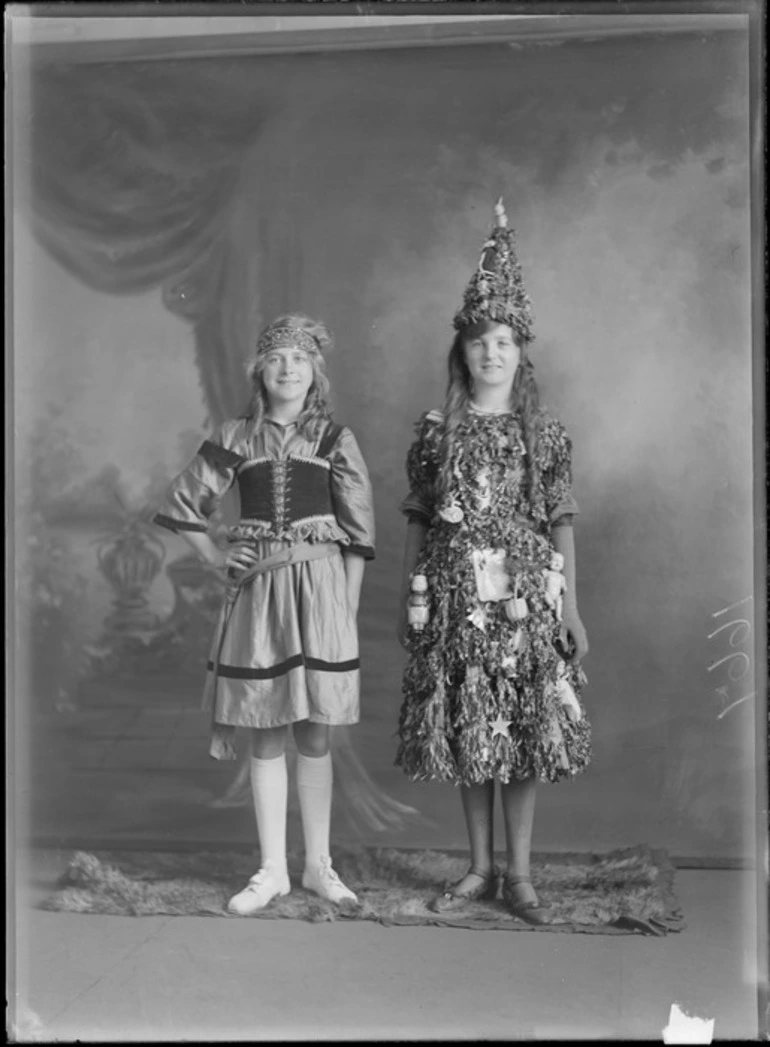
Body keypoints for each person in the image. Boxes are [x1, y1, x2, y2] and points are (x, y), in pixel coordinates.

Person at [396, 200, 591, 924]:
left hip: (523, 602)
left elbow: (561, 517)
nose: (492, 353)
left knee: (517, 726)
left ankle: (522, 872)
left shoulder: (544, 433)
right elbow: (419, 515)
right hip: (451, 597)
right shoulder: (436, 432)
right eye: (480, 341)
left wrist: (569, 606)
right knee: (469, 726)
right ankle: (478, 865)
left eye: (504, 340)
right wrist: (409, 595)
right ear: (464, 352)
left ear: (520, 351)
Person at [153, 314, 375, 913]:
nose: (287, 369)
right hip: (259, 593)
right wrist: (218, 552)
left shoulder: (333, 439)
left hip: (321, 590)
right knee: (267, 722)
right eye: (276, 358)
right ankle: (272, 868)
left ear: (315, 374)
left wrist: (345, 610)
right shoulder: (236, 435)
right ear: (260, 370)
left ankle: (317, 865)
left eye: (299, 360)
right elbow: (183, 504)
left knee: (315, 727)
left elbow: (358, 534)